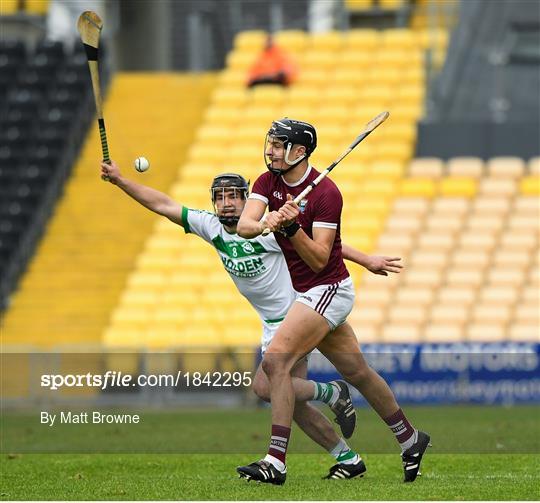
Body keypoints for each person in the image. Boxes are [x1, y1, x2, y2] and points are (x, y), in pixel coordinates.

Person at [99, 160, 403, 480]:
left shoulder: (266, 230)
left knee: (265, 386)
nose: (226, 203)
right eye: (220, 197)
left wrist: (367, 258)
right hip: (272, 324)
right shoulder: (211, 227)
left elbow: (325, 248)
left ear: (248, 201)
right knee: (287, 400)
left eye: (233, 196)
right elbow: (162, 204)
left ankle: (319, 411)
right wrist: (121, 181)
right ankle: (348, 456)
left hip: (300, 316)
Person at [236, 118, 430, 485]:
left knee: (276, 364)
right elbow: (245, 225)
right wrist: (269, 222)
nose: (271, 150)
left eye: (280, 145)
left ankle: (275, 461)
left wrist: (291, 228)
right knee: (357, 372)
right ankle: (410, 438)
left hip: (329, 290)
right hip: (306, 294)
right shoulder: (267, 182)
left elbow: (320, 259)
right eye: (271, 143)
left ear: (300, 151)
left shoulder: (327, 194)